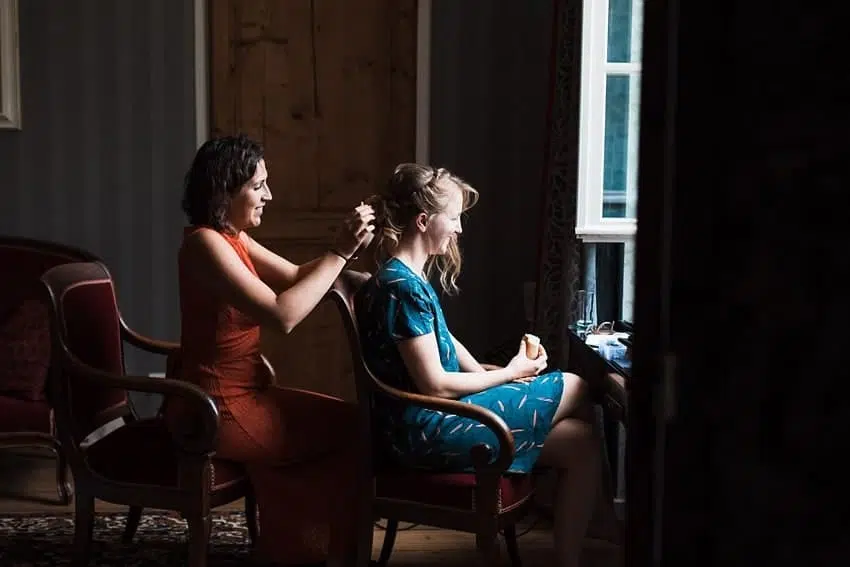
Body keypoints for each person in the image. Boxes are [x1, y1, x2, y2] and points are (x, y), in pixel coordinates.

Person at [354, 164, 600, 567]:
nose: (459, 229)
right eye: (453, 218)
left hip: (432, 418)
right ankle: (600, 524)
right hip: (424, 430)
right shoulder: (400, 287)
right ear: (423, 221)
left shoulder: (405, 278)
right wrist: (511, 373)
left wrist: (490, 374)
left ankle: (567, 559)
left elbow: (447, 344)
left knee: (580, 441)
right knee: (575, 385)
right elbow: (432, 384)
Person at [168, 134, 374, 567]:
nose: (269, 195)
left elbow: (298, 275)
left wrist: (351, 274)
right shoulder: (205, 245)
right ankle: (312, 552)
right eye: (259, 186)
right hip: (218, 408)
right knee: (355, 431)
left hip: (246, 395)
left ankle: (294, 549)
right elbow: (284, 314)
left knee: (356, 423)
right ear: (226, 190)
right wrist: (340, 252)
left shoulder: (233, 237)